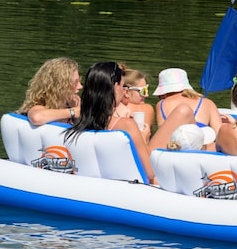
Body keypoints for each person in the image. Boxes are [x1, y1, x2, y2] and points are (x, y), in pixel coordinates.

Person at [64, 62, 202, 185]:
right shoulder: (125, 125)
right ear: (115, 87)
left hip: (97, 179)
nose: (125, 91)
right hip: (138, 182)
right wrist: (143, 137)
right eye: (123, 86)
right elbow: (150, 172)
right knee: (184, 112)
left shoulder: (77, 121)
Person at [154, 68, 222, 149]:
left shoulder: (161, 104)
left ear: (163, 92)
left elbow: (161, 138)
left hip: (172, 151)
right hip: (201, 152)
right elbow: (221, 137)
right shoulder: (207, 103)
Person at [17, 57, 83, 125]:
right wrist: (73, 112)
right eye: (75, 82)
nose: (80, 86)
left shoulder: (73, 105)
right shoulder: (38, 107)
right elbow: (37, 117)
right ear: (60, 86)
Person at [122, 67, 155, 138]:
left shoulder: (112, 108)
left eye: (146, 89)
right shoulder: (149, 109)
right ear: (127, 92)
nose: (147, 95)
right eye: (143, 91)